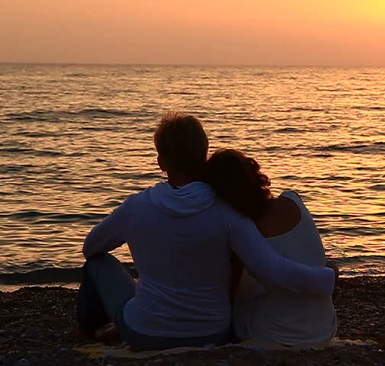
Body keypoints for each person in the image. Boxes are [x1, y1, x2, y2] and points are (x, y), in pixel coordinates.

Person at [76, 112, 336, 351]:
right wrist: (328, 276)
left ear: (161, 162)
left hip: (145, 333)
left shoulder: (136, 207)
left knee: (97, 263)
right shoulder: (227, 212)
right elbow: (273, 270)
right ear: (204, 155)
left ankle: (90, 330)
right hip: (213, 333)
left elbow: (91, 247)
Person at [204, 148, 337, 346]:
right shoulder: (293, 199)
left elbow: (230, 291)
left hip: (277, 333)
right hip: (326, 326)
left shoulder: (244, 230)